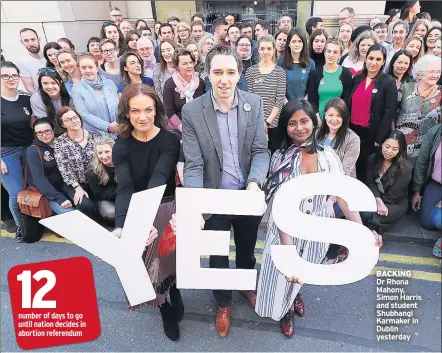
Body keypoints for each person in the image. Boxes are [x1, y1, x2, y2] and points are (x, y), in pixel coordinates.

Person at [254, 98, 381, 337]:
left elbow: (343, 196)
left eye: (304, 121)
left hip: (318, 230)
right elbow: (279, 206)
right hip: (285, 232)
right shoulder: (279, 158)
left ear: (314, 122)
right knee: (282, 276)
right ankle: (285, 310)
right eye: (292, 123)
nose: (299, 128)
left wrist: (362, 233)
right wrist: (289, 253)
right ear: (285, 127)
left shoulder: (329, 155)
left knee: (303, 274)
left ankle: (295, 295)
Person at [181, 44, 270, 338]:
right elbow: (193, 164)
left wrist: (255, 183)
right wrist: (195, 206)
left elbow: (260, 151)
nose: (224, 79)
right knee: (217, 256)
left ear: (239, 74)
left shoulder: (253, 104)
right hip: (213, 197)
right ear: (207, 74)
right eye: (217, 72)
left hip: (247, 195)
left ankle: (245, 284)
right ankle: (223, 302)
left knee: (246, 250)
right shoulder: (192, 111)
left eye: (230, 72)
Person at [112, 84, 181, 341]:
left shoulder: (170, 140)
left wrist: (145, 218)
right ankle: (164, 306)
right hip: (138, 207)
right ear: (127, 114)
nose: (142, 117)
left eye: (148, 110)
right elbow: (125, 187)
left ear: (156, 110)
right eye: (135, 111)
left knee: (170, 259)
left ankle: (176, 291)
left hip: (166, 203)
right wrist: (122, 226)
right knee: (150, 265)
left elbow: (160, 177)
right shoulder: (121, 147)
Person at [348, 44, 398, 183]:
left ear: (383, 62)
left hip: (371, 134)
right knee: (351, 166)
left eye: (378, 59)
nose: (373, 62)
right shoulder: (357, 79)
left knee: (365, 170)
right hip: (352, 130)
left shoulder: (388, 83)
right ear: (365, 58)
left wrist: (379, 138)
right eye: (370, 58)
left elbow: (389, 112)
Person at [1, 61, 35, 242]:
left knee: (32, 188)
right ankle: (21, 227)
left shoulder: (25, 99)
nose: (10, 79)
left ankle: (36, 221)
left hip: (28, 148)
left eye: (14, 75)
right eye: (5, 76)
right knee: (16, 192)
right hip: (5, 153)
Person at [26, 118, 84, 215]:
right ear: (35, 134)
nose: (44, 135)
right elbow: (39, 180)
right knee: (70, 214)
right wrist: (59, 198)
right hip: (49, 192)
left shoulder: (62, 142)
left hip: (67, 184)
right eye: (39, 133)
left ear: (53, 129)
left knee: (85, 205)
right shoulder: (33, 151)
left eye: (47, 131)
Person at [364, 131, 412, 234]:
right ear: (382, 144)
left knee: (367, 214)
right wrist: (378, 200)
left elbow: (394, 195)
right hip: (376, 197)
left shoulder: (405, 167)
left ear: (400, 150)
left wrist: (380, 204)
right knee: (356, 209)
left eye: (395, 149)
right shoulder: (373, 158)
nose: (389, 151)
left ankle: (374, 231)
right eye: (387, 146)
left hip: (394, 202)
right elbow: (370, 182)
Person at [394, 55, 441, 160]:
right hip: (400, 145)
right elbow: (392, 115)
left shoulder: (440, 94)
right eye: (432, 71)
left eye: (438, 72)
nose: (436, 75)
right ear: (419, 73)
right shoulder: (405, 88)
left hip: (426, 149)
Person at [54, 107, 98, 219]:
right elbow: (64, 169)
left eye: (75, 117)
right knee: (85, 206)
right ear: (63, 124)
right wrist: (77, 188)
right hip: (75, 183)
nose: (74, 121)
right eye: (68, 120)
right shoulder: (60, 142)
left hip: (96, 181)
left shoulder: (94, 136)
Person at [246, 35, 286, 153]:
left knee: (273, 154)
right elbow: (249, 99)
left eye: (269, 48)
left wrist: (267, 122)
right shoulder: (251, 72)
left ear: (273, 49)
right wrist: (260, 122)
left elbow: (279, 100)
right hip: (255, 123)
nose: (265, 52)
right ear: (258, 50)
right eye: (262, 48)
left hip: (274, 124)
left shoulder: (280, 72)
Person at [71, 53, 119, 137]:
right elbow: (84, 114)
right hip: (97, 135)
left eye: (90, 67)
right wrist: (107, 126)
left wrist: (118, 122)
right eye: (83, 68)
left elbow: (120, 105)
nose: (87, 70)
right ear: (80, 70)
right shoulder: (77, 90)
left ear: (96, 68)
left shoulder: (109, 83)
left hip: (119, 130)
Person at [307, 37, 352, 122]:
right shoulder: (315, 73)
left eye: (335, 52)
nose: (331, 55)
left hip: (338, 120)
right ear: (324, 52)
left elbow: (346, 100)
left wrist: (339, 119)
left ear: (340, 54)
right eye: (328, 51)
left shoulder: (346, 73)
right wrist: (318, 120)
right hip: (319, 118)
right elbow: (312, 100)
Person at [163, 49, 205, 134]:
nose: (189, 66)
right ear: (177, 66)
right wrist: (182, 128)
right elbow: (169, 111)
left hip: (199, 125)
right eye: (185, 64)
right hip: (178, 127)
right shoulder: (169, 84)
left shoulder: (200, 82)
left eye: (190, 62)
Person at [316, 98, 360, 177]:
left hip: (341, 182)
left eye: (339, 116)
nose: (334, 119)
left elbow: (344, 172)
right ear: (325, 115)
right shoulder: (317, 133)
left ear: (344, 118)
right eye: (330, 115)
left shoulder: (353, 139)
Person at [411, 124, 442, 229]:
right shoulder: (434, 132)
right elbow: (421, 163)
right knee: (428, 222)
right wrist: (417, 191)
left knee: (438, 220)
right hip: (436, 184)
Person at [278, 28, 315, 101]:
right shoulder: (281, 62)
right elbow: (279, 88)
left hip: (304, 106)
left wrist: (303, 104)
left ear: (304, 44)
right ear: (288, 43)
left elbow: (312, 88)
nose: (297, 45)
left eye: (300, 41)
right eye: (294, 41)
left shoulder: (310, 63)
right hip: (286, 105)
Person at [88, 136, 117, 225]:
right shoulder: (94, 170)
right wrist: (119, 190)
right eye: (100, 153)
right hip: (106, 200)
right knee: (112, 214)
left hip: (126, 196)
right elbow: (98, 193)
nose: (104, 156)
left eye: (107, 152)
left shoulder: (123, 163)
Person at [17, 28, 46, 95]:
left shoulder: (50, 56)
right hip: (42, 99)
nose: (30, 43)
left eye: (33, 39)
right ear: (22, 42)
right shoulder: (22, 63)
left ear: (39, 39)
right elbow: (30, 88)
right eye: (26, 40)